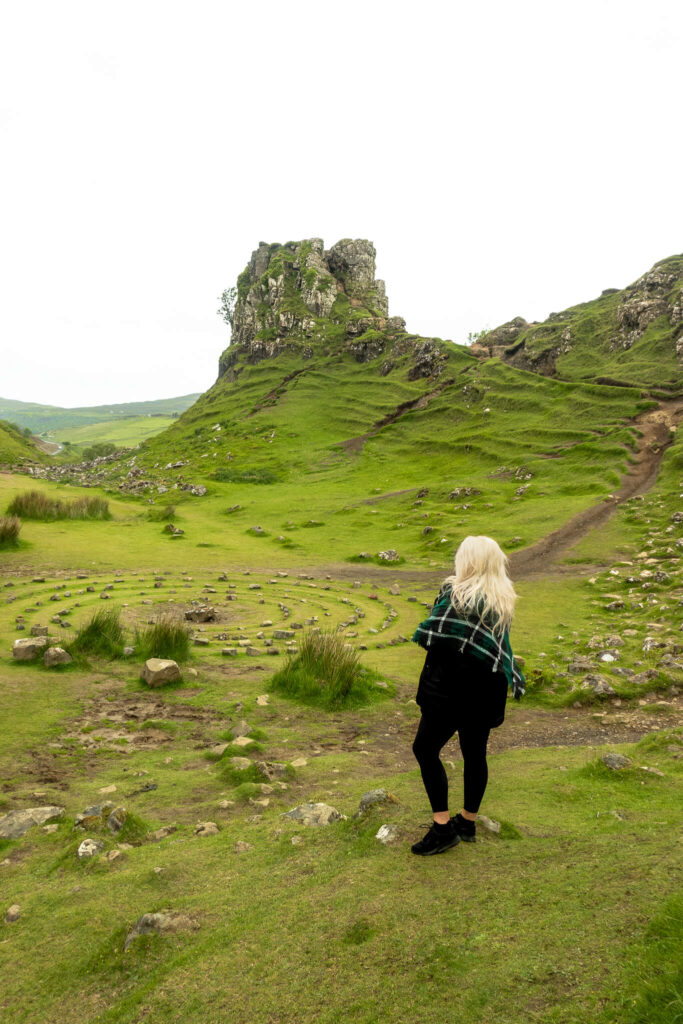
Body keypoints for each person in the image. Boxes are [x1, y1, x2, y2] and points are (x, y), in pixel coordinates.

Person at [409, 535, 526, 856]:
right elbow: (495, 650)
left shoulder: (454, 593)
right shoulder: (503, 599)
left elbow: (436, 638)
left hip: (448, 690)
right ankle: (467, 822)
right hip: (486, 691)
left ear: (468, 561)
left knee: (424, 748)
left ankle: (442, 827)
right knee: (475, 753)